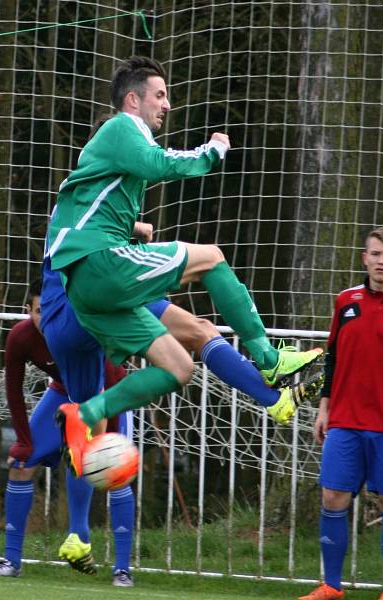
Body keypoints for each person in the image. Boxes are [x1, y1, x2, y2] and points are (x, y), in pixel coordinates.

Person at [48, 56, 322, 474]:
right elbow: (160, 164)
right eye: (160, 95)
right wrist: (210, 153)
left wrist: (134, 228)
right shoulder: (123, 126)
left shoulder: (116, 147)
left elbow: (80, 203)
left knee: (179, 367)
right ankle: (268, 360)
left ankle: (85, 415)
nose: (167, 104)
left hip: (86, 284)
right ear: (133, 99)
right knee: (211, 258)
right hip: (99, 264)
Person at [300, 227, 383, 600]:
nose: (380, 261)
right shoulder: (345, 301)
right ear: (364, 257)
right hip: (343, 420)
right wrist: (324, 408)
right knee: (332, 498)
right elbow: (334, 359)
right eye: (375, 254)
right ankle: (331, 586)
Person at [0, 279, 136, 586]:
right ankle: (11, 562)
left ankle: (122, 569)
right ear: (28, 310)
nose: (45, 317)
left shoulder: (83, 330)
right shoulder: (20, 337)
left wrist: (107, 442)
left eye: (51, 310)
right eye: (38, 311)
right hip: (62, 393)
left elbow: (108, 380)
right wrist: (23, 441)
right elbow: (14, 390)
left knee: (115, 473)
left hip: (108, 395)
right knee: (20, 465)